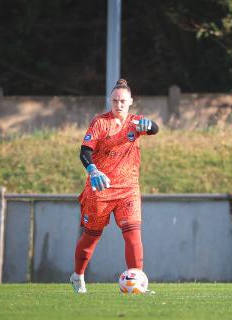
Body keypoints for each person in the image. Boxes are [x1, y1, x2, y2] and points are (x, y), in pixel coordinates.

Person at [70, 78, 159, 293]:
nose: (118, 105)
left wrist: (151, 125)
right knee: (91, 236)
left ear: (130, 102)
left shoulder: (135, 122)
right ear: (111, 101)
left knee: (132, 232)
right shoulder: (100, 123)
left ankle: (138, 282)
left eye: (122, 101)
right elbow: (84, 151)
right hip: (100, 188)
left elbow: (154, 129)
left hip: (128, 188)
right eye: (115, 101)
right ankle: (78, 275)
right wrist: (93, 170)